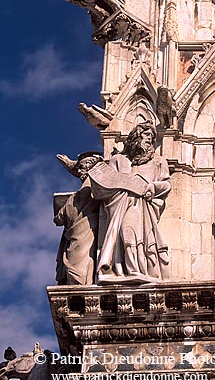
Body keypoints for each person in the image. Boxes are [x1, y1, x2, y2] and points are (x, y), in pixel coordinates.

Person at [90, 121, 171, 282]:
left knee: (133, 234)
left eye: (153, 138)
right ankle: (122, 270)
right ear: (136, 136)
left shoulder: (158, 161)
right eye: (147, 135)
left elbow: (166, 184)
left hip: (141, 205)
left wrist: (153, 188)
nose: (150, 140)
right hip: (119, 204)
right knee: (124, 235)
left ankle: (139, 269)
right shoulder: (118, 160)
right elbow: (105, 184)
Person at [54, 152, 102, 285]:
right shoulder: (76, 197)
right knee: (78, 259)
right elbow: (59, 218)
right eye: (79, 167)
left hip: (86, 230)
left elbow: (59, 218)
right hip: (77, 232)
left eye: (82, 167)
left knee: (82, 259)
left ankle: (80, 282)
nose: (80, 171)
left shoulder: (91, 189)